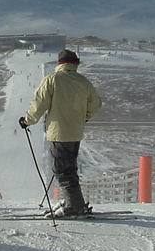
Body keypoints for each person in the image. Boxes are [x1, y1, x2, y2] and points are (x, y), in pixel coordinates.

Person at [19, 49, 102, 217]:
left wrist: (27, 121)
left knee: (62, 170)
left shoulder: (53, 79)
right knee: (70, 168)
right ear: (75, 64)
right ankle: (73, 201)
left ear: (59, 63)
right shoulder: (83, 81)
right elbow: (96, 105)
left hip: (58, 132)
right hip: (76, 132)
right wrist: (83, 118)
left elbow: (39, 103)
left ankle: (74, 207)